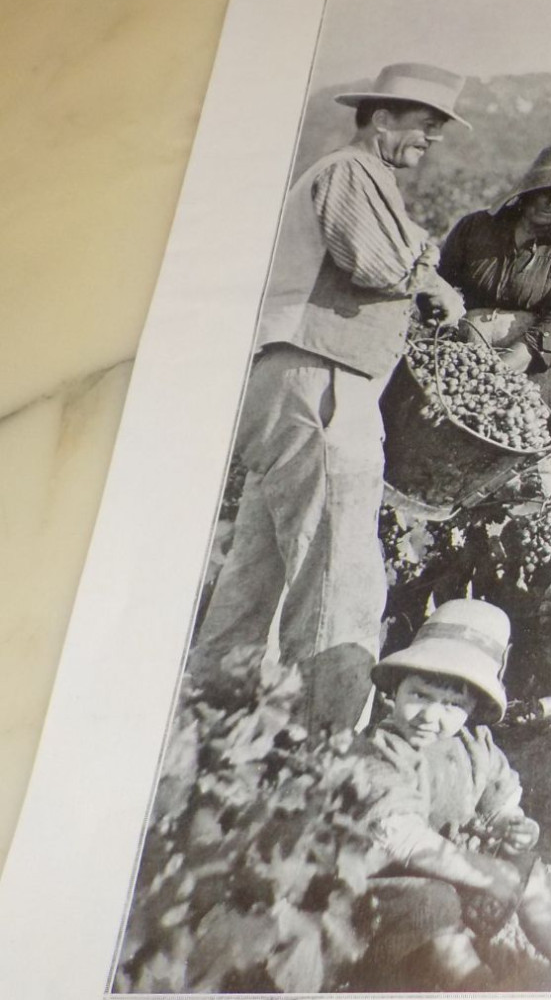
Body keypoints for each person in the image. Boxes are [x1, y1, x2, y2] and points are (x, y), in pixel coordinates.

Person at [190, 63, 470, 730]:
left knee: (259, 568)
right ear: (381, 118)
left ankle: (209, 717)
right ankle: (326, 747)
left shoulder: (358, 177)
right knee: (338, 570)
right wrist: (434, 286)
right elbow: (377, 265)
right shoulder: (351, 172)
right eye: (423, 129)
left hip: (295, 381)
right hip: (324, 381)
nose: (428, 143)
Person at [353, 599, 551, 991]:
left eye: (452, 704)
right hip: (384, 893)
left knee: (528, 870)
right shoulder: (380, 751)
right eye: (420, 695)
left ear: (473, 709)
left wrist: (515, 829)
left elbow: (501, 805)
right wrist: (484, 872)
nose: (431, 715)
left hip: (457, 880)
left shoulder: (473, 745)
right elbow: (399, 838)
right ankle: (479, 992)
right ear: (394, 690)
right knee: (433, 902)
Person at [437, 144, 551, 429]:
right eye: (546, 190)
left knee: (535, 435)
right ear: (529, 189)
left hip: (547, 355)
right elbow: (441, 288)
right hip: (473, 341)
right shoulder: (476, 227)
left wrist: (498, 372)